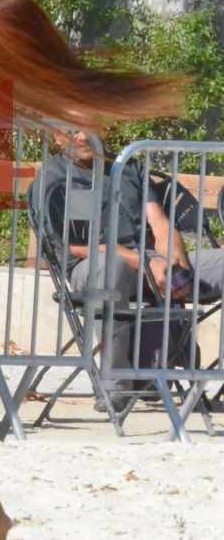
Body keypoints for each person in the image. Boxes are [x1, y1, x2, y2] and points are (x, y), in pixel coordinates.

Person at [30, 127, 224, 374]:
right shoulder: (54, 178)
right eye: (70, 130)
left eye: (88, 126)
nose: (82, 136)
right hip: (94, 266)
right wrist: (140, 261)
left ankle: (176, 358)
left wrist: (178, 269)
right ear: (55, 137)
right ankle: (116, 383)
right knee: (112, 267)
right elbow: (78, 247)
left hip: (150, 263)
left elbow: (160, 224)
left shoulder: (127, 166)